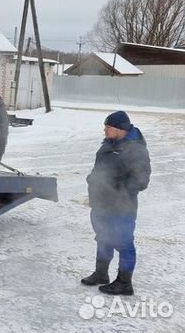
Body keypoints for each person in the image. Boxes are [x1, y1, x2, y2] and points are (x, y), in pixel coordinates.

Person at [82, 111, 151, 296]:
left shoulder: (136, 150)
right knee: (103, 237)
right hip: (102, 203)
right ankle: (101, 274)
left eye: (108, 127)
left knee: (124, 242)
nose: (105, 130)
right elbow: (99, 169)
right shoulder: (107, 145)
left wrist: (117, 189)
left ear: (119, 129)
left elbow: (141, 180)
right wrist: (93, 180)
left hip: (121, 206)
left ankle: (124, 283)